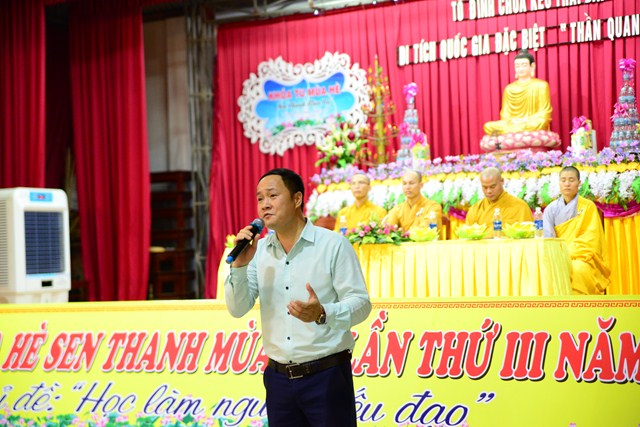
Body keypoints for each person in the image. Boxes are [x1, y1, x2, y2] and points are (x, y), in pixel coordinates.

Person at [224, 168, 371, 427]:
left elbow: (361, 304)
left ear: (297, 199)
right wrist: (239, 266)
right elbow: (237, 308)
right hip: (278, 380)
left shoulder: (333, 245)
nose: (264, 204)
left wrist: (322, 312)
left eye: (272, 195)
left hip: (326, 376)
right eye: (260, 198)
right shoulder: (258, 252)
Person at [543, 166, 610, 295]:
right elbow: (549, 238)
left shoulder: (588, 206)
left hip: (582, 257)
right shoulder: (550, 209)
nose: (567, 184)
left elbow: (591, 237)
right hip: (558, 255)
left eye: (571, 180)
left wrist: (569, 252)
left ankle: (580, 305)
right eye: (563, 180)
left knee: (578, 270)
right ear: (559, 183)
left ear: (579, 183)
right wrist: (558, 255)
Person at [483, 48, 553, 135]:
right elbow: (505, 116)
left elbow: (545, 114)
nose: (520, 69)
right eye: (517, 66)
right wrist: (512, 121)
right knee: (488, 126)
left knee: (542, 122)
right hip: (514, 124)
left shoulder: (541, 85)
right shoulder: (509, 89)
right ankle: (516, 132)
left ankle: (512, 133)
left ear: (532, 66)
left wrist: (523, 121)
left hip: (529, 123)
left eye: (524, 65)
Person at [465, 167, 533, 232]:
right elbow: (468, 236)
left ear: (502, 181)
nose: (489, 191)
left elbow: (529, 235)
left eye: (492, 187)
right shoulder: (476, 209)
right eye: (485, 187)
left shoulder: (520, 207)